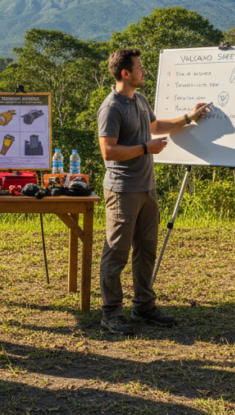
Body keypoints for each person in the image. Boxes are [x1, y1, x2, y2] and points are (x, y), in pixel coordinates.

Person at [97, 48, 210, 335]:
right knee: (117, 253)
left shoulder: (139, 99)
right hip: (123, 191)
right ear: (126, 73)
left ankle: (144, 306)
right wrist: (146, 148)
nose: (144, 71)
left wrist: (189, 118)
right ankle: (111, 313)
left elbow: (155, 125)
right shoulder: (111, 107)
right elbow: (108, 151)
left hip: (147, 188)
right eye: (140, 67)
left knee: (146, 251)